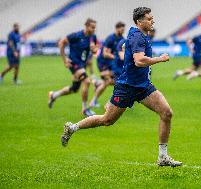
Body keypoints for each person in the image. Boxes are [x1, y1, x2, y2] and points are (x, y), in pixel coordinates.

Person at [61, 7, 182, 167]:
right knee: (107, 120)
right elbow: (139, 61)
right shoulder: (138, 36)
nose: (152, 20)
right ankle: (73, 127)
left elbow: (126, 47)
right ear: (139, 22)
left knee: (166, 113)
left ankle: (163, 157)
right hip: (127, 87)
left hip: (143, 86)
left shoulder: (136, 33)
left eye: (152, 18)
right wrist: (160, 59)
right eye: (149, 18)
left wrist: (127, 49)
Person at [48, 18, 98, 117]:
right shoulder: (76, 36)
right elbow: (61, 43)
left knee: (74, 88)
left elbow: (94, 51)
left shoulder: (93, 37)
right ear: (87, 26)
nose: (94, 29)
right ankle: (85, 109)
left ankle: (54, 95)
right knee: (87, 81)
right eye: (92, 27)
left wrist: (94, 50)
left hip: (82, 65)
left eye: (95, 28)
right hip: (74, 63)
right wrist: (64, 59)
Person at [89, 22, 126, 108]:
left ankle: (98, 84)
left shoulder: (122, 39)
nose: (123, 31)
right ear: (117, 28)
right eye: (121, 29)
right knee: (108, 81)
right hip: (103, 62)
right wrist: (117, 57)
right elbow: (105, 54)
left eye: (124, 30)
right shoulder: (110, 39)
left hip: (112, 63)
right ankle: (94, 101)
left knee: (115, 81)